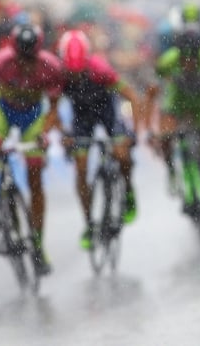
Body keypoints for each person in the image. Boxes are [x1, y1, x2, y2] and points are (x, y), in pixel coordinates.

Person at [0, 23, 63, 276]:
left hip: (32, 117)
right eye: (21, 57)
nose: (25, 62)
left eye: (29, 57)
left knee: (35, 178)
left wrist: (45, 133)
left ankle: (39, 246)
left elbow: (54, 108)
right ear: (14, 51)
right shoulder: (0, 62)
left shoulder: (51, 67)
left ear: (38, 52)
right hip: (3, 112)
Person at [57, 29, 142, 249]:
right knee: (81, 167)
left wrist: (134, 132)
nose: (75, 76)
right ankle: (89, 223)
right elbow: (51, 109)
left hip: (107, 112)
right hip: (82, 118)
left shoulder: (100, 69)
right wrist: (63, 134)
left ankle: (128, 189)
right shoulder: (59, 75)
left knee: (122, 154)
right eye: (71, 73)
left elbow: (131, 96)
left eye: (79, 72)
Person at [151, 27, 200, 199]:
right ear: (178, 54)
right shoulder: (167, 61)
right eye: (184, 58)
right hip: (177, 98)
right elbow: (156, 85)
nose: (189, 63)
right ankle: (171, 169)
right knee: (166, 136)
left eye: (193, 59)